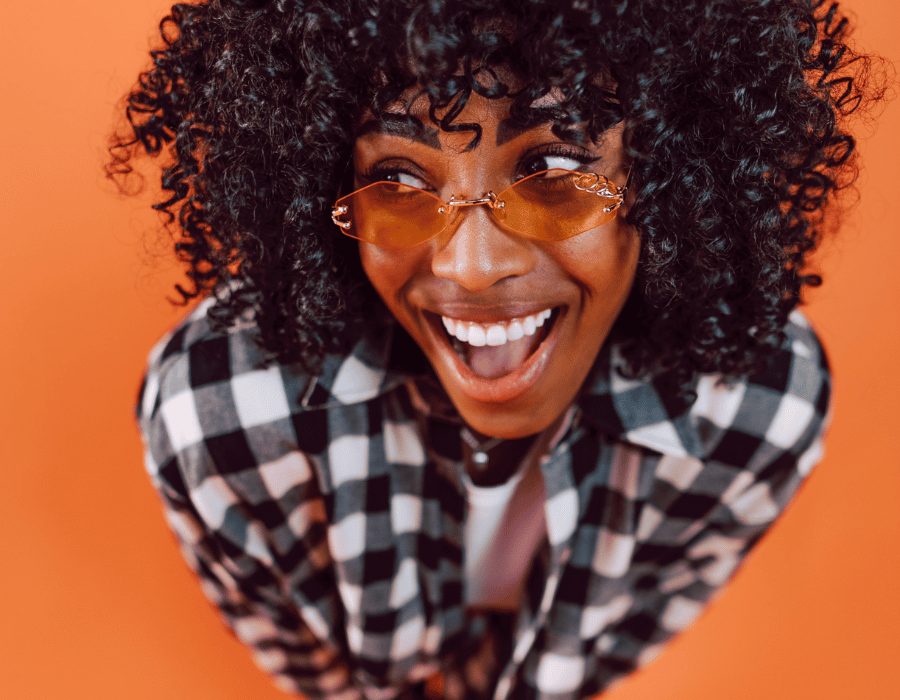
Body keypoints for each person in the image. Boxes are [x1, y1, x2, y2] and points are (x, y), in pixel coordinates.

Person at [110, 0, 882, 697]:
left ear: (675, 174)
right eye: (402, 183)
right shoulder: (222, 423)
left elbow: (595, 659)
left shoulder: (756, 413)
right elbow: (320, 679)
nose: (470, 268)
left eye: (552, 172)